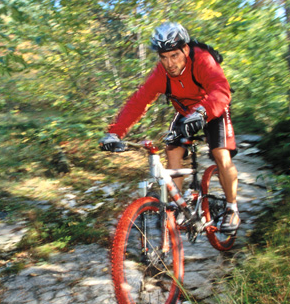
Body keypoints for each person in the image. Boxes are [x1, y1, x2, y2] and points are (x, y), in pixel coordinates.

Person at [99, 22, 240, 234]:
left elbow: (221, 89)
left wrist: (204, 112)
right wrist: (114, 133)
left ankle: (231, 208)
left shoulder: (202, 59)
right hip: (186, 112)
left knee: (221, 154)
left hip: (212, 108)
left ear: (185, 49)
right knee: (172, 150)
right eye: (163, 57)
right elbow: (138, 101)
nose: (169, 63)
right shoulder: (161, 74)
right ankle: (178, 206)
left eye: (174, 55)